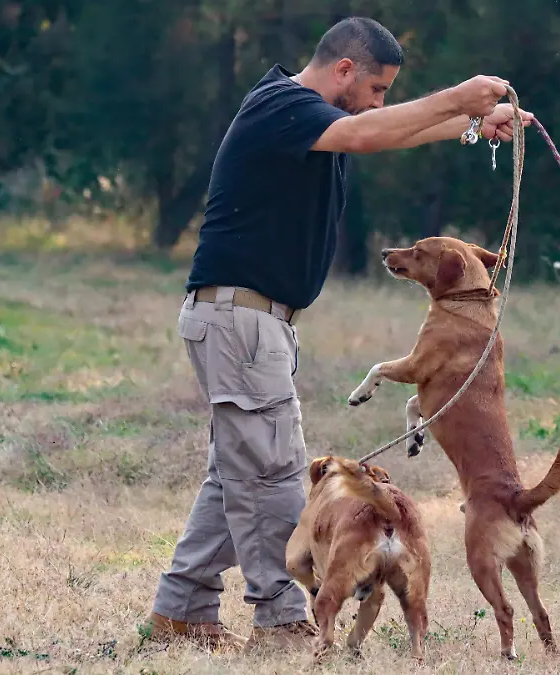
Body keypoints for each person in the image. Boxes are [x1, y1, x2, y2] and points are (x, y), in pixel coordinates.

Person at [144, 16, 533, 654]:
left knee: (237, 473)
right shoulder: (282, 106)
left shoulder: (309, 122)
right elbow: (369, 133)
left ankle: (182, 610)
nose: (379, 102)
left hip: (250, 320)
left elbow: (381, 130)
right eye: (377, 88)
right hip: (241, 320)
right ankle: (280, 621)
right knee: (272, 476)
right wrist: (458, 98)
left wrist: (470, 123)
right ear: (344, 69)